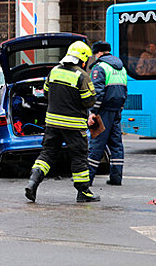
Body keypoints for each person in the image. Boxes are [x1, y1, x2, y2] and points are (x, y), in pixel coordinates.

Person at [25, 41, 99, 203]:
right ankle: (83, 192)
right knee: (79, 156)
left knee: (47, 154)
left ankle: (33, 182)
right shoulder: (82, 75)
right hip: (73, 125)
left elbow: (45, 93)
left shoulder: (54, 71)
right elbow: (89, 101)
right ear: (83, 60)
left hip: (52, 123)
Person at [87, 41, 128, 186]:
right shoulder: (121, 67)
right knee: (116, 145)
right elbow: (124, 90)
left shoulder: (100, 68)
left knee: (96, 144)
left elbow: (97, 93)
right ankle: (116, 178)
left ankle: (87, 179)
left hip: (103, 112)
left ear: (98, 53)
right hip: (116, 111)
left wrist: (92, 112)